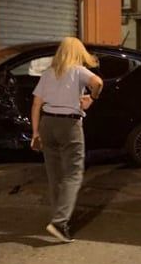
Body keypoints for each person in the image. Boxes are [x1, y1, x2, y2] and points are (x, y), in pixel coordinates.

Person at [30, 38, 104, 242]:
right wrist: (92, 98)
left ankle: (57, 217)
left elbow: (36, 103)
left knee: (55, 175)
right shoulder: (78, 71)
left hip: (47, 123)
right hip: (69, 125)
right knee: (73, 174)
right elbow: (97, 83)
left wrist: (35, 133)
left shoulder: (47, 73)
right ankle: (60, 222)